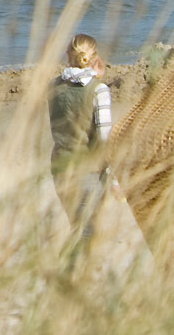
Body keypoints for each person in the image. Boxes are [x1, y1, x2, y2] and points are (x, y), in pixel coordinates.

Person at [47, 33, 113, 244]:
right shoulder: (99, 91)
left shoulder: (53, 87)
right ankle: (70, 273)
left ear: (68, 55)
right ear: (95, 58)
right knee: (87, 234)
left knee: (78, 226)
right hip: (89, 171)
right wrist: (114, 177)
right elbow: (104, 139)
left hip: (60, 167)